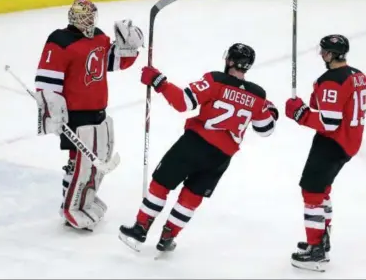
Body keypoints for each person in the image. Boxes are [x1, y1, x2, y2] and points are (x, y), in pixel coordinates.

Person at [118, 43, 279, 253]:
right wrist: (271, 111)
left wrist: (159, 82)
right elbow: (265, 129)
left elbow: (183, 102)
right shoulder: (258, 95)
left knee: (161, 184)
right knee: (192, 196)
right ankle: (168, 237)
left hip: (195, 144)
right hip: (221, 157)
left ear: (229, 60)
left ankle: (140, 228)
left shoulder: (215, 80)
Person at [33, 0, 144, 231]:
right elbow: (46, 81)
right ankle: (70, 206)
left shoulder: (99, 37)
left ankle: (84, 201)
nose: (91, 20)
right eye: (87, 16)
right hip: (75, 114)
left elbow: (112, 63)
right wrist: (52, 109)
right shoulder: (59, 41)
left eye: (92, 15)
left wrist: (128, 48)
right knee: (78, 163)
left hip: (98, 109)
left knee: (96, 161)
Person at [285, 34, 366, 272]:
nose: (322, 55)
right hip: (350, 141)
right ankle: (322, 237)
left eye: (324, 51)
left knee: (311, 190)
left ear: (332, 54)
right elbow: (329, 105)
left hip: (333, 143)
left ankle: (316, 251)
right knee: (322, 189)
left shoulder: (331, 80)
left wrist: (300, 113)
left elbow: (329, 121)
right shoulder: (359, 76)